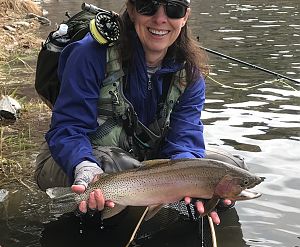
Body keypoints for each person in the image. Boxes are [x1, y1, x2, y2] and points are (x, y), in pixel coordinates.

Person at [35, 0, 244, 225]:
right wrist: (83, 165)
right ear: (132, 10)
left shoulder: (189, 72)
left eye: (174, 9)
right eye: (149, 6)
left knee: (229, 170)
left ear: (185, 17)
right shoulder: (90, 54)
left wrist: (192, 183)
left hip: (143, 165)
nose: (161, 19)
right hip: (74, 159)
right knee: (120, 167)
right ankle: (89, 221)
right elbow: (68, 128)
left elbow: (184, 138)